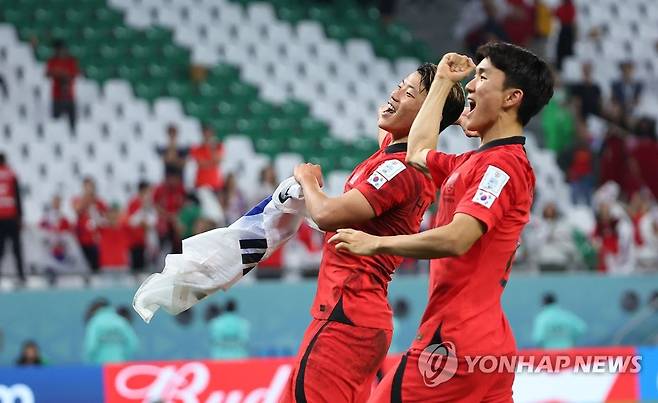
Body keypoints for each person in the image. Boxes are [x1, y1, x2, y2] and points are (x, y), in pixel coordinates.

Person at [330, 43, 554, 402]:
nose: (470, 86)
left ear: (512, 98)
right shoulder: (472, 162)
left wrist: (376, 243)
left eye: (482, 77)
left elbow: (457, 238)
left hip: (453, 344)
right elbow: (416, 151)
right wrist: (441, 80)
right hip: (486, 344)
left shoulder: (501, 167)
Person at [280, 62, 465, 402]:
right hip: (351, 316)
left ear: (425, 117)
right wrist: (440, 100)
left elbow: (324, 214)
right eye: (399, 85)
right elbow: (393, 127)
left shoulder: (398, 170)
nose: (394, 94)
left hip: (345, 316)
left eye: (408, 93)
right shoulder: (397, 154)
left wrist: (306, 178)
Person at [83, 298, 139, 364]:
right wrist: (124, 357)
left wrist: (89, 362)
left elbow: (91, 346)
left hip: (100, 367)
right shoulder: (121, 321)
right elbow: (133, 344)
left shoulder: (95, 322)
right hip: (119, 364)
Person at [72, 177, 107, 273]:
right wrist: (87, 198)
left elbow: (105, 218)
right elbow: (77, 210)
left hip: (96, 240)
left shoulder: (99, 202)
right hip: (82, 239)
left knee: (96, 266)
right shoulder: (78, 200)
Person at [0, 153, 25, 283]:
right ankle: (21, 275)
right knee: (17, 249)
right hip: (11, 217)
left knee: (1, 249)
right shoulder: (11, 174)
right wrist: (20, 216)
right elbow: (17, 196)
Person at [46, 40, 79, 130]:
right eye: (58, 49)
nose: (61, 51)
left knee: (72, 122)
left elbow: (74, 74)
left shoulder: (71, 61)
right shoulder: (52, 61)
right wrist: (61, 73)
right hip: (57, 95)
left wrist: (61, 74)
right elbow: (48, 74)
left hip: (70, 95)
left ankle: (72, 136)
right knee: (56, 121)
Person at [125, 181, 157, 271]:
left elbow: (153, 221)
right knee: (136, 267)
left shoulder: (149, 204)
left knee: (146, 266)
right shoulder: (134, 203)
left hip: (146, 241)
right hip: (135, 241)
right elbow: (131, 221)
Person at [153, 171, 186, 254]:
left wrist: (176, 217)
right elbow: (155, 204)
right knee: (163, 247)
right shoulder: (160, 189)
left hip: (176, 221)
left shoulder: (181, 188)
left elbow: (184, 204)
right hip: (164, 222)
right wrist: (168, 216)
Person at [190, 124, 224, 191]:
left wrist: (211, 146)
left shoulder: (219, 146)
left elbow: (217, 162)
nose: (207, 135)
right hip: (200, 183)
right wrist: (211, 162)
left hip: (215, 184)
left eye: (209, 133)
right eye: (205, 132)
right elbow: (201, 164)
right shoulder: (196, 148)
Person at [554, 0, 576, 70]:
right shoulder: (570, 6)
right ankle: (561, 67)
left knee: (564, 49)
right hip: (566, 28)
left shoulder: (568, 6)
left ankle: (562, 67)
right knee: (564, 50)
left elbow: (557, 13)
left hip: (566, 29)